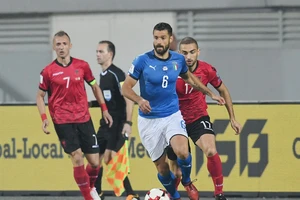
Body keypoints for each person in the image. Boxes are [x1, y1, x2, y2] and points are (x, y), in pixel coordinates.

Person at [121, 22, 226, 200]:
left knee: (183, 151)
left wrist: (210, 94)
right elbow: (126, 88)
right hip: (148, 120)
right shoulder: (142, 60)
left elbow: (191, 79)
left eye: (162, 38)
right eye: (156, 38)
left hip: (171, 115)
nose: (158, 42)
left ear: (170, 39)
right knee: (163, 169)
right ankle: (176, 196)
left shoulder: (177, 60)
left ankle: (186, 181)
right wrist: (139, 100)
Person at [36, 30, 113, 200]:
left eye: (64, 44)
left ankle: (90, 188)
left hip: (83, 118)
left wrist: (104, 109)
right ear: (54, 47)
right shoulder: (47, 72)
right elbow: (40, 96)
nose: (61, 47)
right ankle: (88, 197)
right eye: (58, 44)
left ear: (70, 46)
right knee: (77, 157)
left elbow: (94, 87)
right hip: (62, 120)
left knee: (94, 162)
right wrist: (44, 118)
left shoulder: (82, 66)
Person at [167, 36, 242, 200]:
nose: (188, 57)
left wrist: (232, 118)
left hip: (197, 117)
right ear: (179, 53)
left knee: (211, 149)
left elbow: (224, 91)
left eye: (192, 52)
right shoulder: (171, 69)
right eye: (185, 53)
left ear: (198, 52)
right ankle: (181, 189)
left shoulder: (207, 70)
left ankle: (219, 193)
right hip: (174, 121)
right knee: (176, 168)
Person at [88, 40, 139, 200]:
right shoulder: (102, 76)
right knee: (95, 159)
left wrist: (128, 123)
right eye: (96, 51)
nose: (97, 54)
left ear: (110, 54)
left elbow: (129, 99)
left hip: (118, 125)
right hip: (105, 125)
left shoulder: (117, 74)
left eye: (101, 51)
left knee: (112, 160)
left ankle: (129, 194)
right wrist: (90, 103)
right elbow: (107, 101)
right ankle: (98, 193)